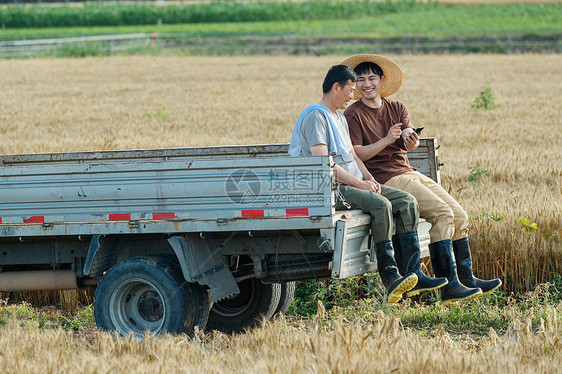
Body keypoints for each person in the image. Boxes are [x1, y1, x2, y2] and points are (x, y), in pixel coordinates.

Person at [341, 54, 502, 306]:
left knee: (459, 215)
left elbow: (409, 138)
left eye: (371, 77)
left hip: (408, 171)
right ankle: (449, 286)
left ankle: (467, 278)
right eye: (360, 80)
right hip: (386, 179)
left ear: (382, 80)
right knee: (442, 214)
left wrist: (410, 139)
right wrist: (385, 140)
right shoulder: (354, 115)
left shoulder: (397, 107)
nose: (366, 84)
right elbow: (356, 152)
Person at [289, 64, 449, 304]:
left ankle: (413, 272)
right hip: (331, 187)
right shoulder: (315, 117)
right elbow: (324, 166)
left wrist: (368, 177)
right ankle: (390, 276)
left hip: (354, 182)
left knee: (407, 202)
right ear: (336, 87)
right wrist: (359, 183)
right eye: (350, 90)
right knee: (381, 205)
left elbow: (352, 156)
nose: (353, 96)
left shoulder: (338, 118)